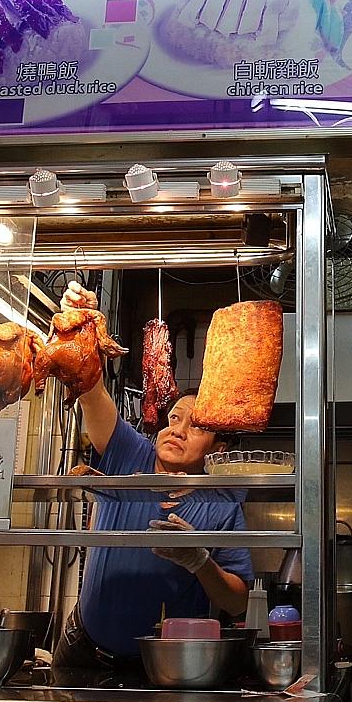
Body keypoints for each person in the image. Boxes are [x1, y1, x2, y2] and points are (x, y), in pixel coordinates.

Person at [52, 281, 252, 675]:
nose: (176, 429)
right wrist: (83, 327)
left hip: (164, 668)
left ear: (218, 449)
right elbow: (91, 391)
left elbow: (238, 602)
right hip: (81, 654)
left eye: (194, 427)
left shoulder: (221, 504)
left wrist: (199, 561)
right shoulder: (129, 452)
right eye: (174, 418)